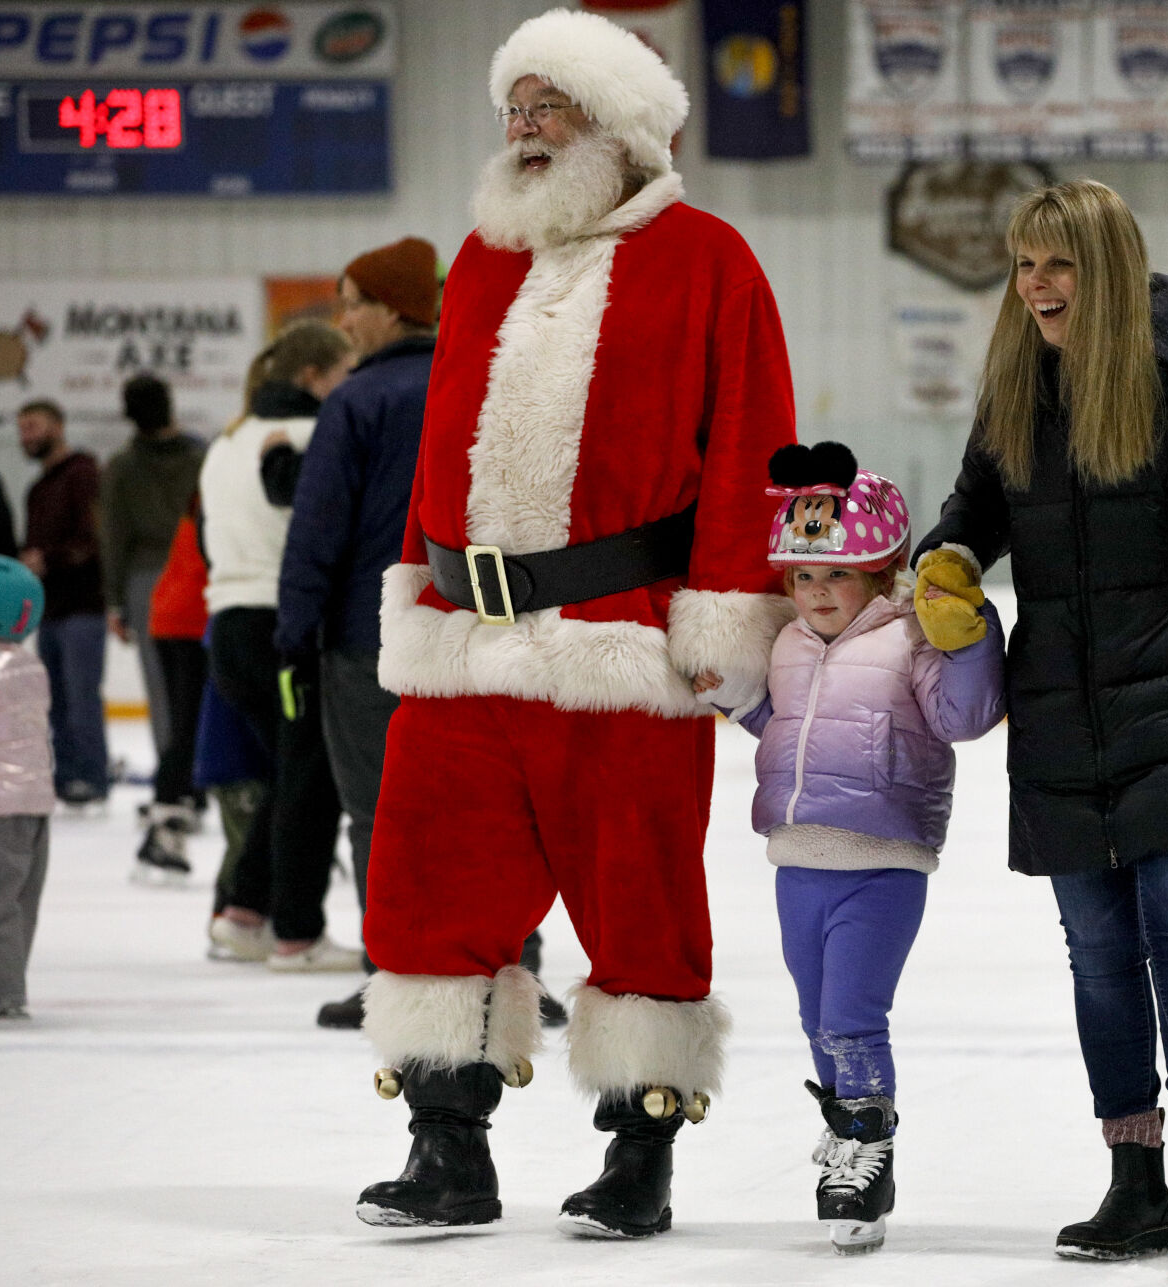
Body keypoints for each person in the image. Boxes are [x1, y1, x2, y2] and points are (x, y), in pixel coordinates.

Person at [354, 9, 797, 1240]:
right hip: (461, 643)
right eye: (515, 107)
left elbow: (752, 443)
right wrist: (413, 585)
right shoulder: (485, 257)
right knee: (428, 891)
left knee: (639, 897)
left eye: (547, 107)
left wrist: (717, 622)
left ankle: (638, 1158)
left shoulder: (708, 257)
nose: (522, 128)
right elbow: (443, 454)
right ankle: (446, 1149)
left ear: (618, 126)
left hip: (624, 641)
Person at [910, 180, 1168, 1267]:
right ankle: (1132, 1177)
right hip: (1064, 704)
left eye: (1057, 263)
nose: (1036, 286)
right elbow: (975, 511)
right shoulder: (1016, 386)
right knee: (1097, 956)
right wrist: (947, 563)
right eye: (1022, 265)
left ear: (1106, 266)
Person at [698, 442, 1004, 1254]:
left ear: (880, 571)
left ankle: (869, 1153)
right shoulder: (791, 644)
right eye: (802, 577)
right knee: (812, 1017)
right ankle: (846, 1129)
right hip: (797, 857)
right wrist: (736, 698)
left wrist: (969, 640)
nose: (816, 594)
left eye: (836, 575)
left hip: (882, 858)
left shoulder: (912, 635)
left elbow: (962, 719)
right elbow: (789, 728)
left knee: (850, 1016)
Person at [270, 238, 439, 1029]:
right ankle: (509, 964)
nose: (342, 320)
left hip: (365, 636)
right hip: (469, 629)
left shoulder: (356, 400)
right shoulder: (474, 382)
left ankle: (394, 976)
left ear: (390, 308)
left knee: (377, 807)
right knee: (483, 802)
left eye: (351, 302)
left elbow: (319, 529)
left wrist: (294, 633)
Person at [200, 323, 356, 970]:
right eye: (344, 372)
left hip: (228, 625)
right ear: (314, 376)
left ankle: (244, 911)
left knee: (292, 775)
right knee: (309, 782)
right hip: (282, 626)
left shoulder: (226, 442)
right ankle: (295, 930)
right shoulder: (314, 437)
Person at [100, 373, 205, 766]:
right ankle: (203, 766)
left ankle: (173, 770)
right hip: (199, 572)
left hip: (147, 578)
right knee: (205, 678)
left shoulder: (123, 467)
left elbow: (114, 536)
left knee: (161, 682)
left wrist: (113, 602)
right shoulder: (202, 457)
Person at [16, 399, 109, 804]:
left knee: (81, 696)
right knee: (54, 700)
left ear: (58, 425)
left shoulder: (84, 475)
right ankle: (67, 773)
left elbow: (94, 540)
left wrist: (46, 558)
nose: (26, 436)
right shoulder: (39, 487)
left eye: (34, 426)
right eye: (22, 429)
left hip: (83, 608)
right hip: (49, 609)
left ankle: (92, 776)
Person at [132, 500, 209, 883]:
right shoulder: (224, 494)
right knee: (189, 725)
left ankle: (174, 805)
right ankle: (168, 816)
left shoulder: (199, 499)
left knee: (185, 723)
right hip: (190, 618)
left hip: (171, 614)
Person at [0, 556, 51, 1019]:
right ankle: (8, 982)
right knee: (18, 901)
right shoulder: (29, 666)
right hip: (31, 808)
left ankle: (0, 993)